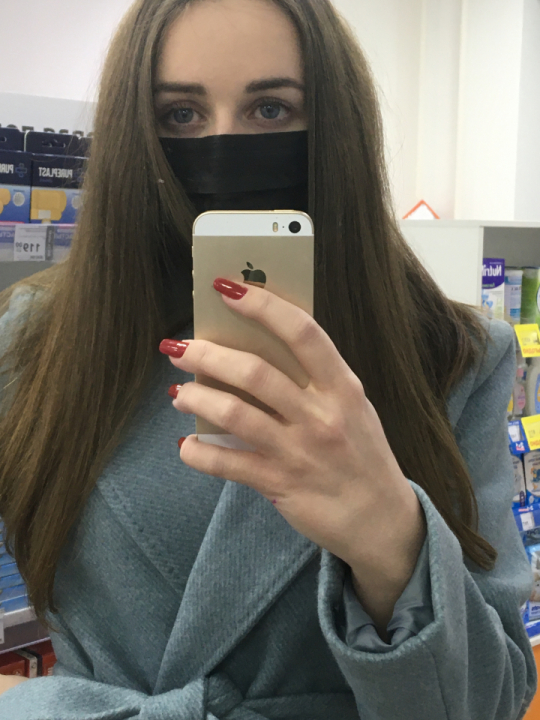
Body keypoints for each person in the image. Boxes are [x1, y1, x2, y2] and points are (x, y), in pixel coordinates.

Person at [0, 0, 536, 717]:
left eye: (271, 109)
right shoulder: (36, 340)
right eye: (181, 114)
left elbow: (491, 700)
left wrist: (389, 535)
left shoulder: (452, 355)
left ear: (336, 125)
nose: (224, 146)